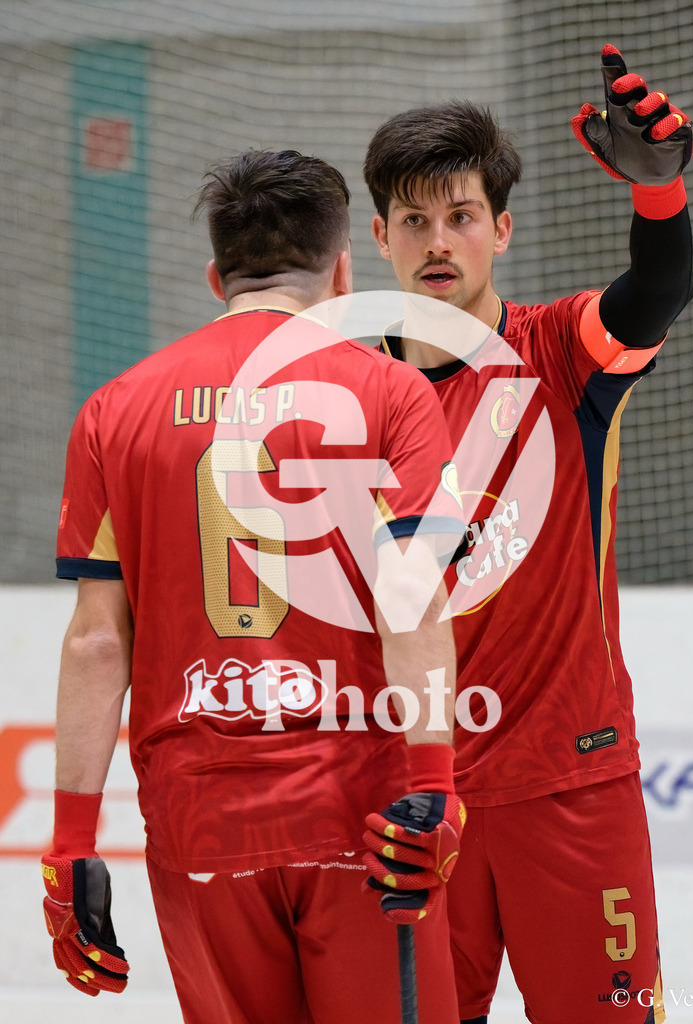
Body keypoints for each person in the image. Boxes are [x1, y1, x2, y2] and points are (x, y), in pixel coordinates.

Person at [42, 148, 467, 1024]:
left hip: (200, 815)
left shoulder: (115, 409)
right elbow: (412, 598)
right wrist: (435, 782)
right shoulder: (390, 393)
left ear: (215, 275)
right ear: (343, 269)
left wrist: (73, 844)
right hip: (364, 812)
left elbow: (96, 639)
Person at [362, 45, 693, 1024]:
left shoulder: (563, 351)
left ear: (500, 230)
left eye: (460, 215)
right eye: (414, 219)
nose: (438, 239)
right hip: (420, 800)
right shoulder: (345, 405)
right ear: (379, 237)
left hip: (573, 785)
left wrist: (663, 199)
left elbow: (656, 297)